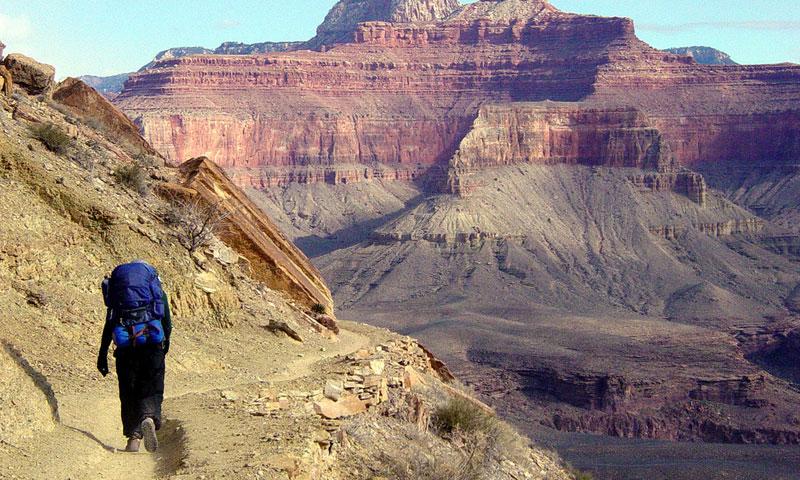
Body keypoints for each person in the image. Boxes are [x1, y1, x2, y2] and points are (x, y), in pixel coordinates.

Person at [96, 260, 172, 453]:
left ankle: (133, 439)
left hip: (125, 346)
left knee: (128, 390)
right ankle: (149, 416)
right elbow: (166, 321)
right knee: (153, 386)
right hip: (152, 343)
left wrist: (103, 354)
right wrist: (165, 343)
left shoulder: (118, 297)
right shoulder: (157, 293)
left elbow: (110, 323)